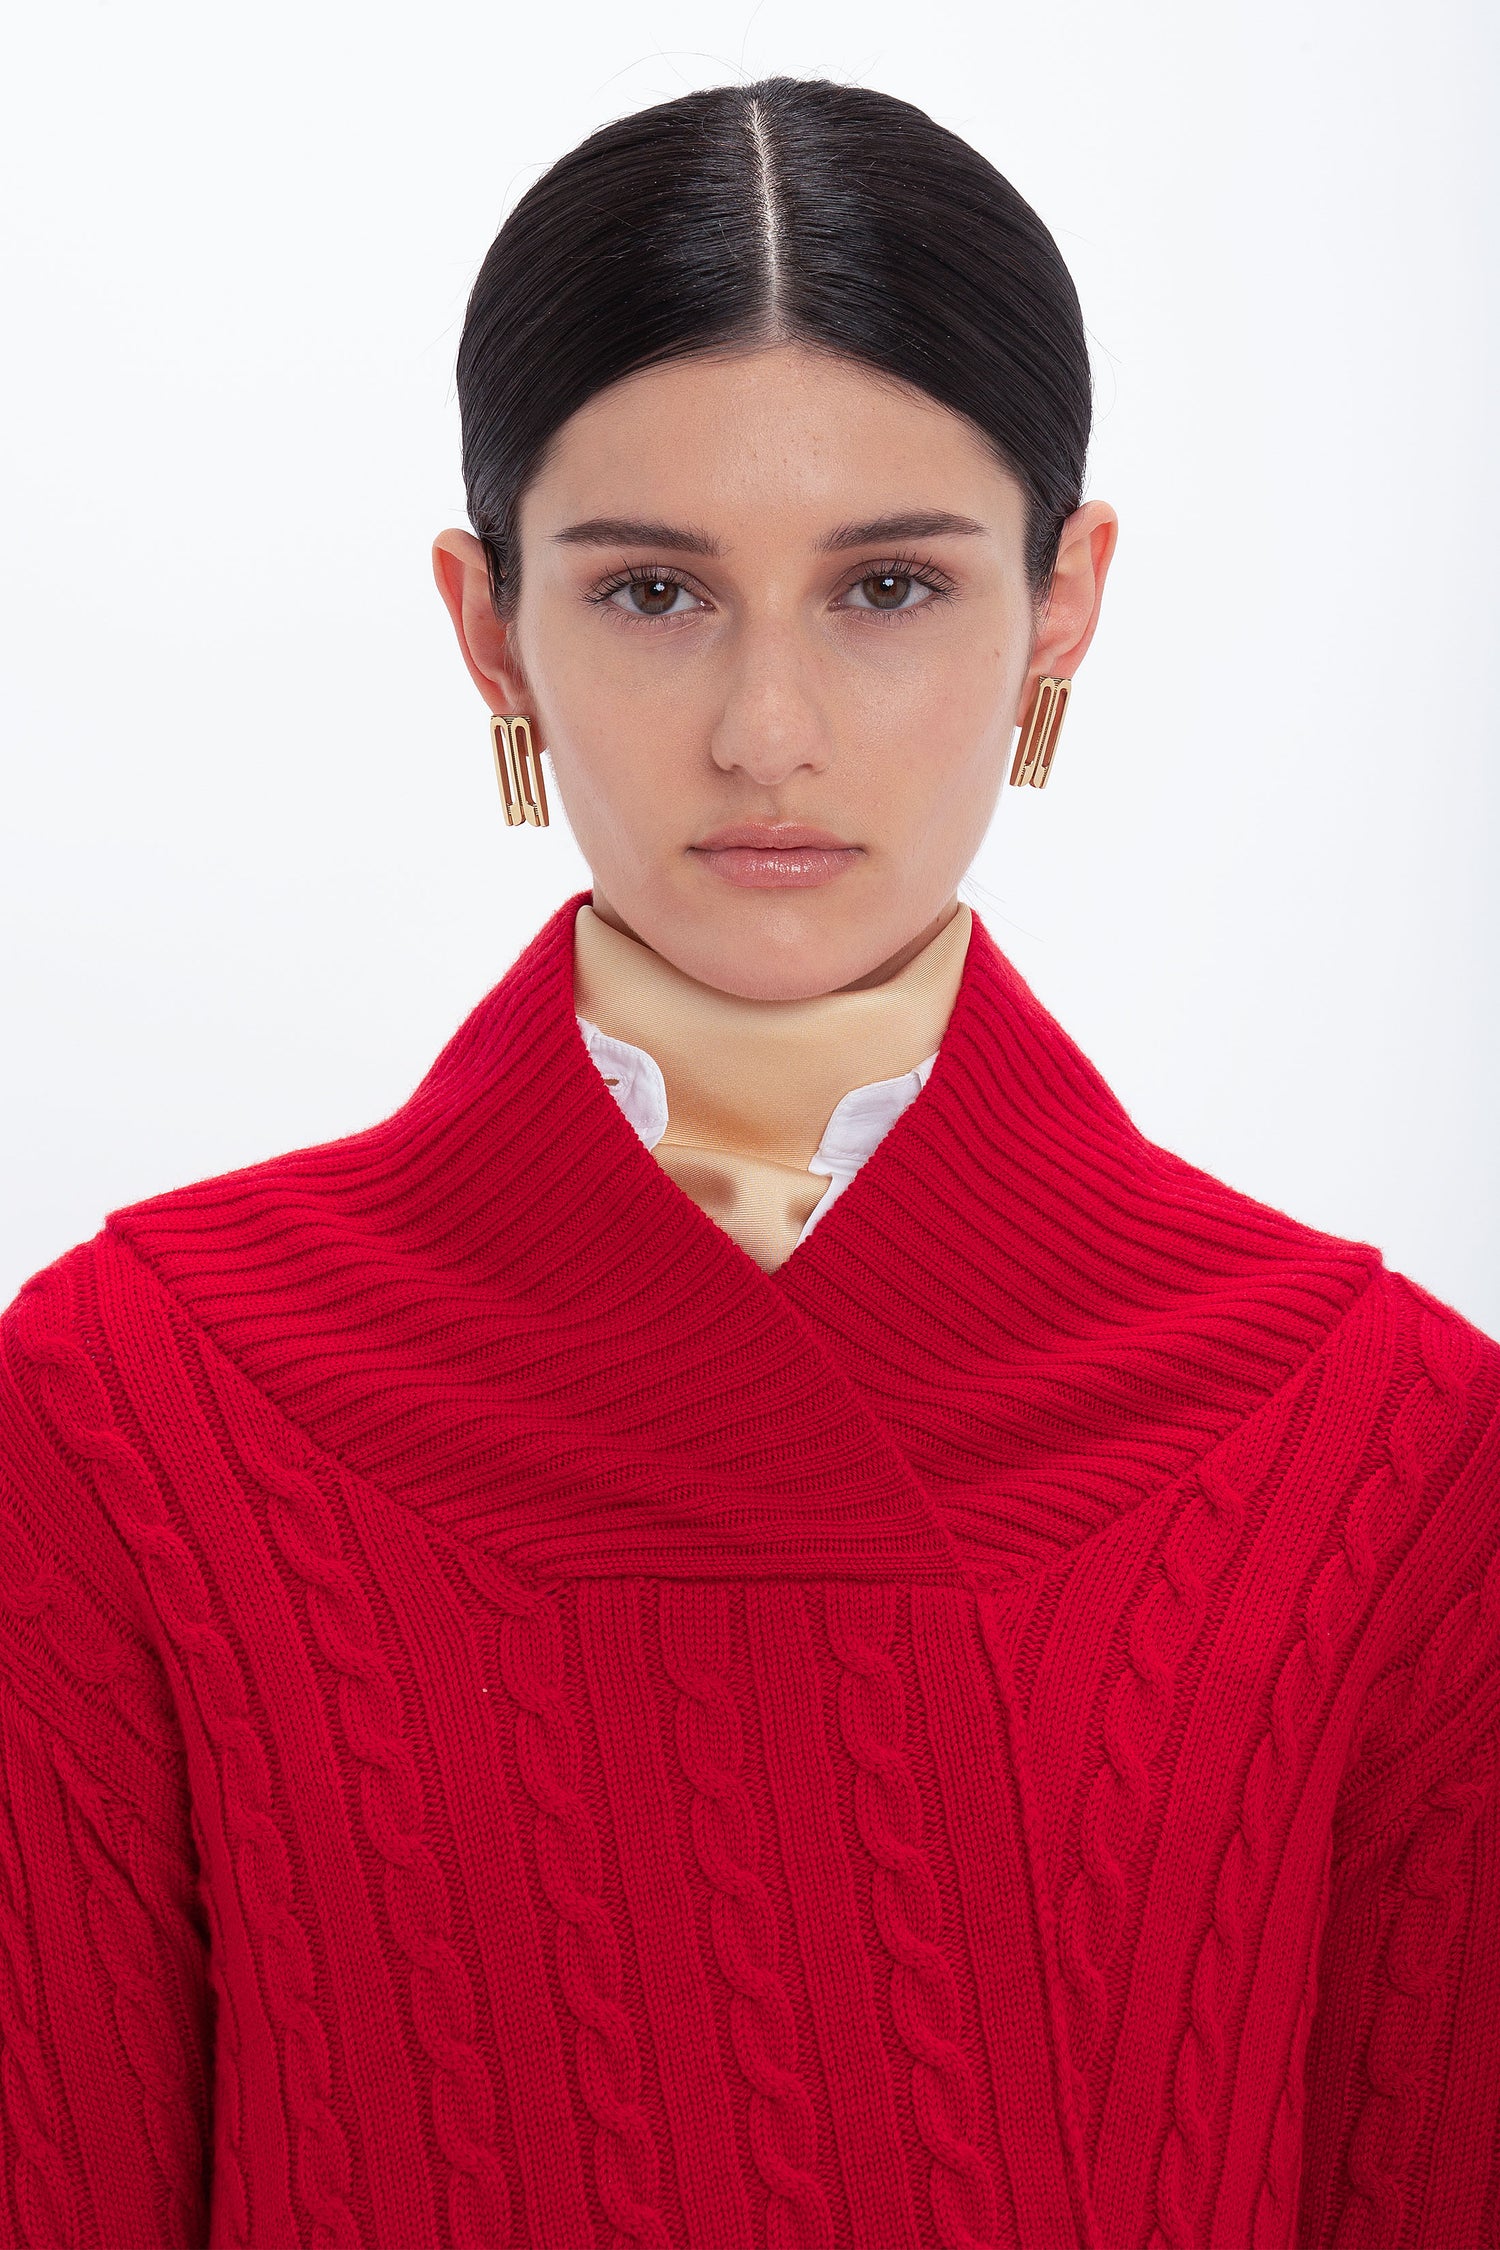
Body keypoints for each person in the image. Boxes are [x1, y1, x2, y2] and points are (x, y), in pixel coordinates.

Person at [0, 73, 1495, 2250]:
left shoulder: (1387, 1451)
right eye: (651, 596)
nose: (766, 733)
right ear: (487, 625)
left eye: (886, 585)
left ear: (1065, 602)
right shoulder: (131, 1408)